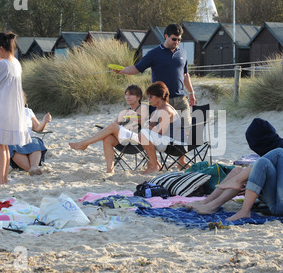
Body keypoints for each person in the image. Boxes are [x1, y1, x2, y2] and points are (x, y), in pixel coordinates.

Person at [114, 23, 195, 167]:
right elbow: (137, 68)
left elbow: (186, 75)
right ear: (166, 36)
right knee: (154, 132)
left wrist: (192, 92)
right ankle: (154, 162)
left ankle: (181, 161)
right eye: (174, 39)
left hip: (181, 99)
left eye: (179, 39)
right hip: (160, 101)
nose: (176, 42)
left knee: (185, 130)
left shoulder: (183, 53)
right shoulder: (154, 53)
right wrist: (123, 70)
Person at [0, 32, 31, 186]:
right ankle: (4, 178)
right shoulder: (16, 63)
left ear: (1, 48)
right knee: (4, 146)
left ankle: (0, 180)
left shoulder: (2, 65)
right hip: (9, 108)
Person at [69, 85, 150, 173]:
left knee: (112, 126)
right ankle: (110, 170)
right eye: (126, 94)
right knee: (107, 139)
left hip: (139, 142)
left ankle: (84, 143)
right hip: (125, 143)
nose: (127, 97)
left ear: (139, 97)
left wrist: (136, 117)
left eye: (131, 95)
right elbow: (114, 126)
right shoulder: (125, 111)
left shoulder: (143, 108)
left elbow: (147, 127)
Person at [0, 98, 52, 176]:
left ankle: (34, 166)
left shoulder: (27, 111)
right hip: (9, 140)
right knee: (12, 146)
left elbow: (38, 128)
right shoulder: (1, 111)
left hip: (27, 139)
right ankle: (30, 170)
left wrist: (44, 121)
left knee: (36, 142)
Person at [139, 81, 184, 174]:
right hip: (166, 139)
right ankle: (155, 163)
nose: (149, 99)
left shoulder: (166, 110)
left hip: (172, 143)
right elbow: (151, 125)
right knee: (142, 133)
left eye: (151, 97)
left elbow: (160, 131)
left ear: (160, 97)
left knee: (142, 134)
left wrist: (145, 125)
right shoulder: (159, 109)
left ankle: (154, 165)